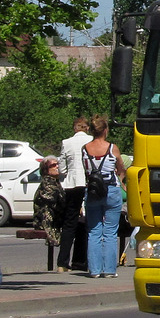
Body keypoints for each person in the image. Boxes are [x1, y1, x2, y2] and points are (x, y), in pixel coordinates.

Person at [83, 114, 125, 278]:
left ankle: (94, 270)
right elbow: (121, 167)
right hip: (111, 190)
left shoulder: (85, 149)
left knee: (94, 231)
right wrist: (120, 177)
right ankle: (109, 270)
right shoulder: (112, 148)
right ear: (105, 130)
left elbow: (87, 169)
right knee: (110, 232)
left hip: (92, 191)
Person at [56, 116, 93, 272]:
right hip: (89, 183)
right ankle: (84, 260)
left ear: (74, 128)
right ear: (87, 128)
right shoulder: (92, 141)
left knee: (69, 223)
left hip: (71, 184)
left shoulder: (66, 143)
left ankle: (62, 263)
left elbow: (61, 168)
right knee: (90, 223)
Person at [32, 156, 65, 246]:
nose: (57, 167)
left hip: (54, 220)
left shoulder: (55, 182)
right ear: (46, 170)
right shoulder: (47, 184)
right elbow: (56, 204)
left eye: (58, 164)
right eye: (54, 165)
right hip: (47, 223)